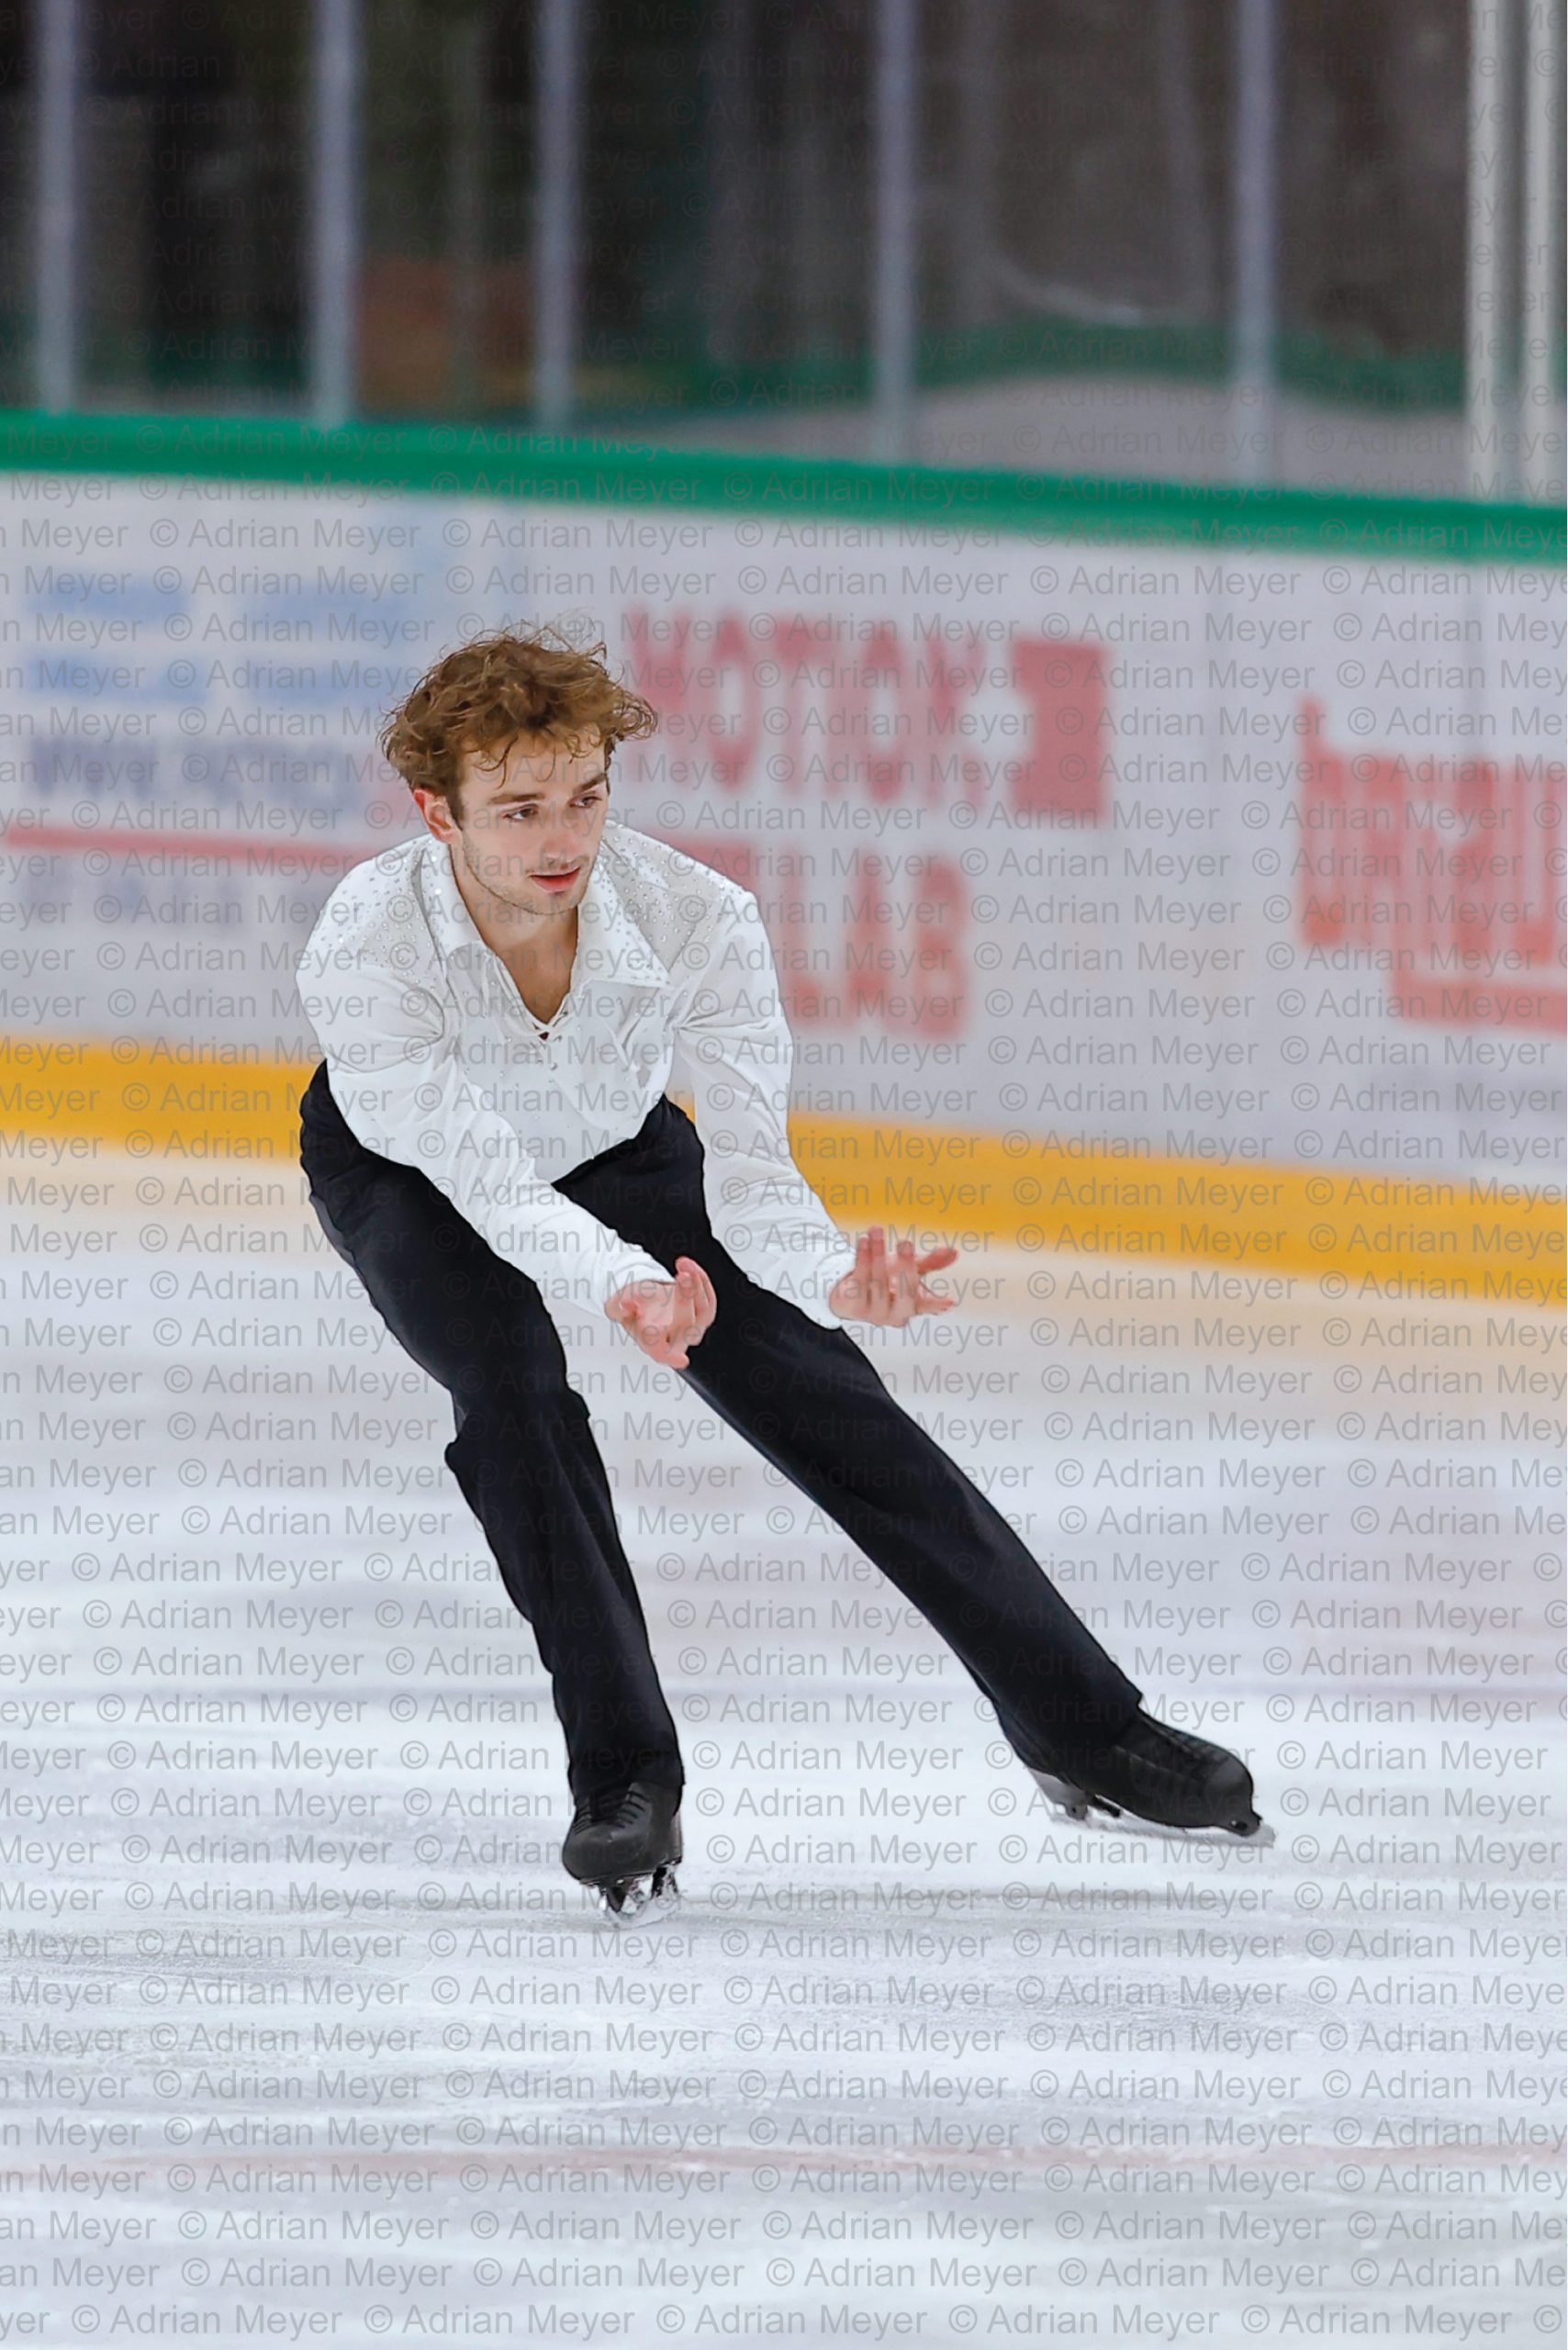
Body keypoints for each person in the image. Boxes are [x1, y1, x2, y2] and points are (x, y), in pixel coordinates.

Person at [295, 625, 1270, 1914]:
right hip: (409, 1175)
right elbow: (484, 1182)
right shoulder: (367, 944)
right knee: (514, 1389)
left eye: (586, 797)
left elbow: (750, 1173)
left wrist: (826, 1277)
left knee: (825, 1387)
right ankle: (626, 1780)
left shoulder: (696, 918)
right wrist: (624, 1284)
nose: (561, 841)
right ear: (439, 813)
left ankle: (1081, 1727)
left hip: (613, 1137)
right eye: (519, 808)